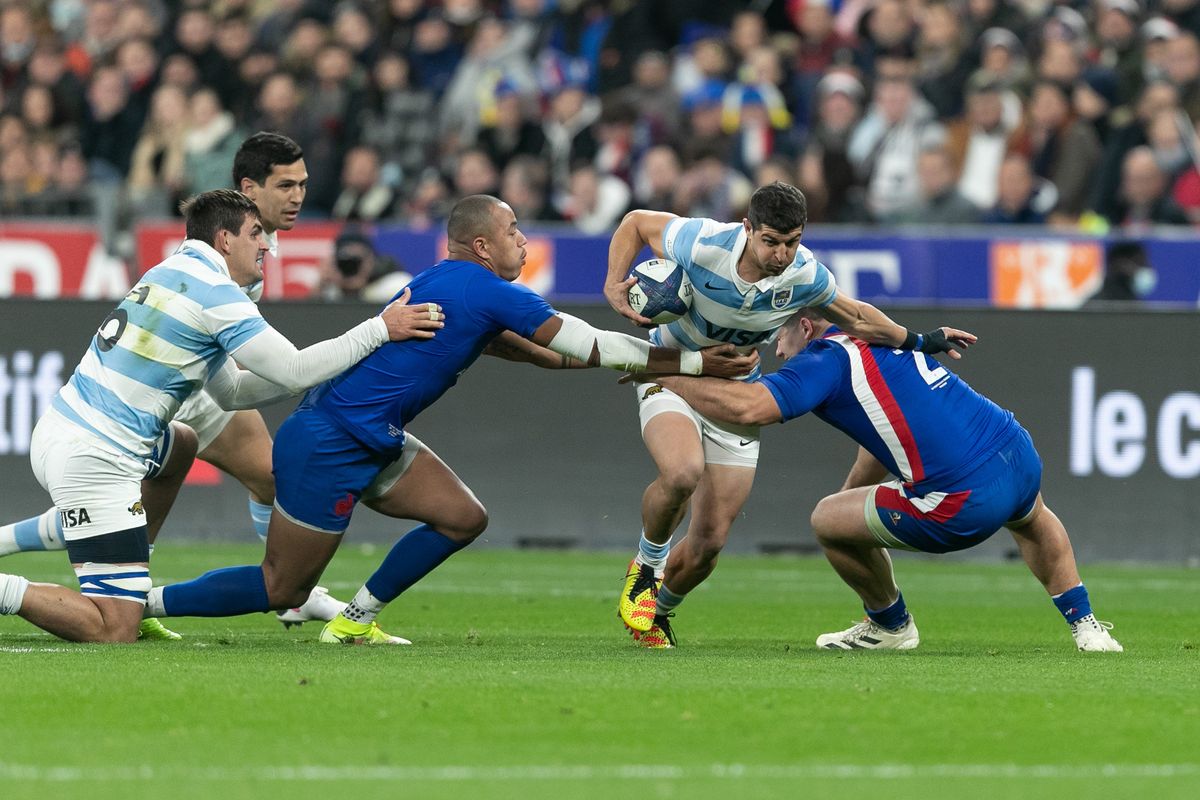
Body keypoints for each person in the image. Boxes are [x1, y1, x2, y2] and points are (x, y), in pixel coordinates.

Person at [138, 195, 758, 645]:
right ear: (482, 245)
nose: (522, 240)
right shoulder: (482, 288)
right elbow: (585, 342)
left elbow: (544, 354)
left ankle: (356, 618)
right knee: (282, 589)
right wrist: (697, 361)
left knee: (463, 517)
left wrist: (655, 368)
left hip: (369, 434)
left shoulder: (451, 284)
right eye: (514, 231)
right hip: (329, 439)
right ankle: (140, 600)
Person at [0, 189, 440, 643]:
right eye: (255, 234)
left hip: (66, 429)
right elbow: (291, 369)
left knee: (182, 444)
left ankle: (123, 571)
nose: (266, 245)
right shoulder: (214, 293)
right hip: (94, 459)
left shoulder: (172, 271)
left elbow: (230, 392)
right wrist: (379, 330)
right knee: (114, 628)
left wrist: (324, 373)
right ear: (225, 240)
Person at [603, 182, 976, 649]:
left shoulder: (804, 275)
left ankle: (655, 616)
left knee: (709, 543)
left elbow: (856, 317)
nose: (782, 254)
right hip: (672, 372)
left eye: (792, 241)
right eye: (771, 242)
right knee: (681, 472)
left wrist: (920, 340)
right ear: (747, 230)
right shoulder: (702, 241)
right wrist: (613, 286)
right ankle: (647, 566)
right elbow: (636, 221)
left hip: (736, 390)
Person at [638, 307, 1123, 653]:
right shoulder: (880, 336)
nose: (774, 345)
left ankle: (890, 626)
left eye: (778, 332)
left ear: (805, 325)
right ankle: (1087, 628)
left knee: (827, 519)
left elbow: (748, 407)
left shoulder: (824, 359)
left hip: (960, 502)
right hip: (1016, 451)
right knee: (1034, 518)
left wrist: (661, 373)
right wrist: (854, 500)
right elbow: (880, 436)